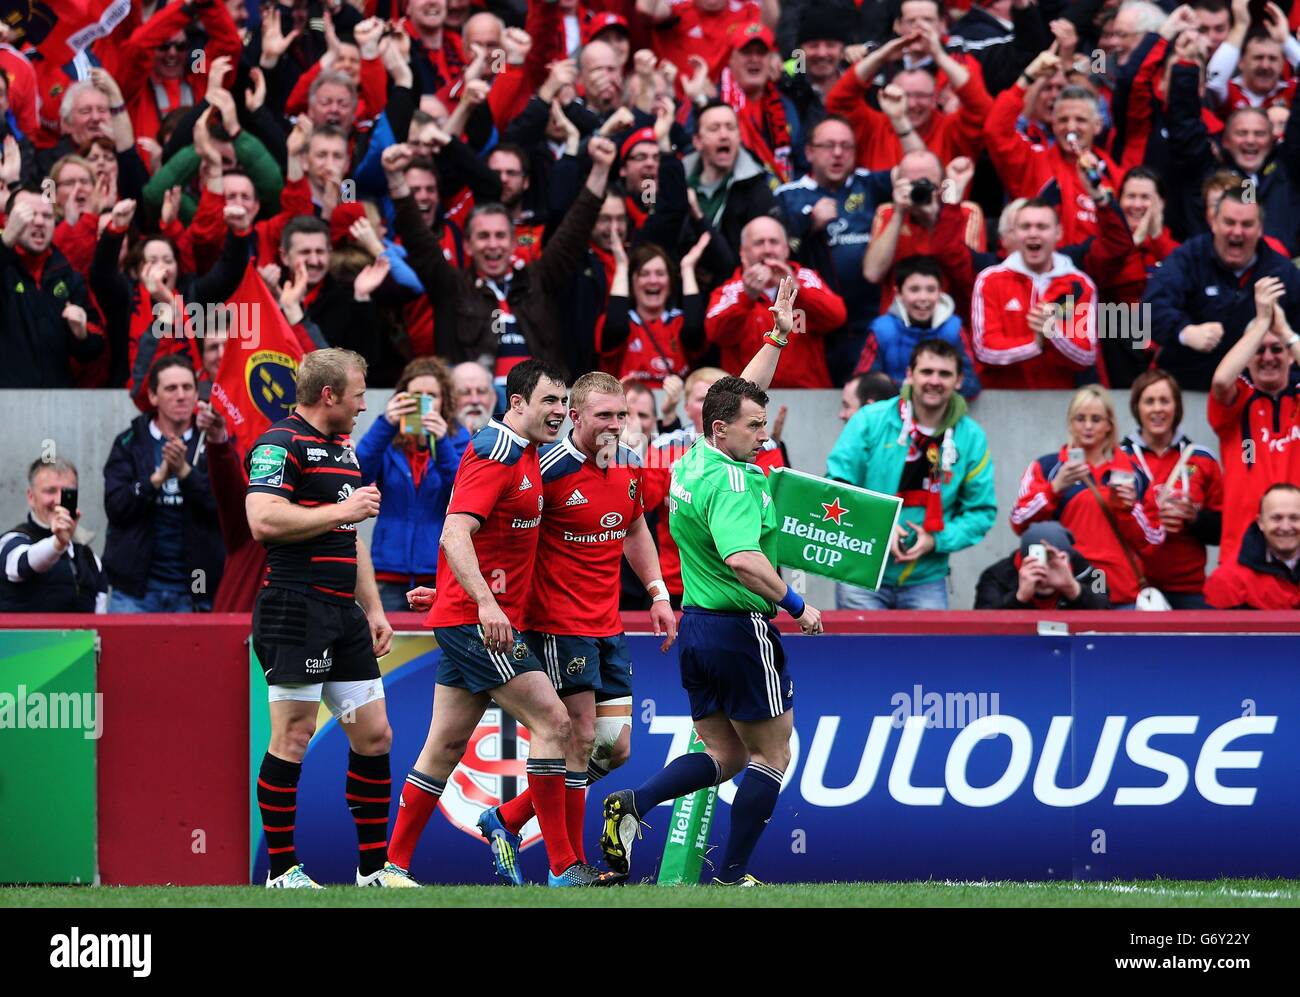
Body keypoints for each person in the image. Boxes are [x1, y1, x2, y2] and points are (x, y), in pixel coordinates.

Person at [600, 276, 824, 887]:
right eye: (755, 427)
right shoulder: (734, 481)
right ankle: (733, 877)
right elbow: (744, 560)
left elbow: (742, 394)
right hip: (739, 629)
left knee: (725, 758)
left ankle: (633, 805)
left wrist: (776, 332)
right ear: (723, 430)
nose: (765, 432)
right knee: (773, 756)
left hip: (698, 630)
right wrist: (798, 604)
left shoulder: (697, 455)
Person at [387, 359, 622, 887]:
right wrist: (482, 602)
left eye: (564, 403)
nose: (559, 413)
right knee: (556, 724)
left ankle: (391, 868)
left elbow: (482, 539)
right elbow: (454, 533)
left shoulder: (529, 453)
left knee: (444, 746)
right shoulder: (497, 452)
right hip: (482, 624)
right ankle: (564, 868)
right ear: (516, 403)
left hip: (471, 613)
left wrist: (450, 587)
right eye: (549, 403)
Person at [459, 372, 678, 886]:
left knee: (615, 748)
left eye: (622, 415)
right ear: (575, 418)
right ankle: (567, 867)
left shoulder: (627, 464)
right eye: (604, 416)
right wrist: (466, 592)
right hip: (557, 624)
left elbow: (636, 527)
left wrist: (658, 592)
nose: (616, 426)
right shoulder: (546, 468)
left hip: (609, 625)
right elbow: (489, 530)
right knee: (576, 740)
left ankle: (508, 818)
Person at [245, 348, 412, 889]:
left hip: (343, 614)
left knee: (376, 735)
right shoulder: (279, 443)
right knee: (292, 738)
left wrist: (373, 607)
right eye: (359, 393)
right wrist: (345, 510)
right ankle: (282, 872)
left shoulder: (342, 448)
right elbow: (262, 519)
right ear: (329, 395)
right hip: (295, 608)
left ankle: (371, 871)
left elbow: (350, 535)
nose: (366, 404)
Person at [827, 338, 995, 609]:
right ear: (909, 375)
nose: (935, 381)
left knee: (925, 654)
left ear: (959, 380)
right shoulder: (870, 420)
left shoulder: (971, 437)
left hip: (926, 578)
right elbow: (837, 484)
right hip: (861, 571)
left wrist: (936, 540)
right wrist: (877, 526)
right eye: (927, 372)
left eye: (945, 373)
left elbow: (981, 511)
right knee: (863, 652)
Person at [1011, 384, 1166, 608]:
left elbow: (1154, 540)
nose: (1088, 426)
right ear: (1070, 423)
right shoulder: (1048, 467)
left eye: (1096, 419)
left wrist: (1130, 508)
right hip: (1067, 589)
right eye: (1080, 418)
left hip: (1122, 592)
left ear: (1109, 425)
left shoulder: (1133, 473)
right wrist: (1054, 489)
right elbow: (1018, 522)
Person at [1145, 186, 1300, 391]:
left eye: (1247, 224)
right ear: (1214, 223)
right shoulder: (1189, 258)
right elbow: (1150, 309)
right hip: (1188, 392)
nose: (1237, 232)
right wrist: (1184, 331)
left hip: (1256, 397)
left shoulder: (1281, 272)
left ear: (1260, 228)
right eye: (1229, 222)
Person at [102, 356, 224, 613]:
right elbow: (116, 507)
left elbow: (224, 510)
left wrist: (184, 472)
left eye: (187, 387)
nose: (181, 396)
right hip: (135, 594)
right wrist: (156, 479)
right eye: (171, 388)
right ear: (153, 396)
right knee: (128, 655)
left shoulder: (213, 442)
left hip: (197, 592)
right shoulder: (128, 442)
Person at [356, 357, 471, 614]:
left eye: (432, 396)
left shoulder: (458, 438)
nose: (424, 402)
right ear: (402, 398)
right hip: (389, 571)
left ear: (445, 402)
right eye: (416, 395)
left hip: (438, 572)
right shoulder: (387, 435)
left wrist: (441, 443)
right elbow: (359, 475)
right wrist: (385, 423)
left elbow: (462, 493)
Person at [1208, 274, 1300, 564]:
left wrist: (1285, 330)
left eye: (1277, 349)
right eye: (1259, 350)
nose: (1268, 357)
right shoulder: (1239, 400)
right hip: (1242, 556)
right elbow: (1222, 380)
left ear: (1289, 356)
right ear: (1247, 357)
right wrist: (1260, 324)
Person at [1119, 369, 1225, 608]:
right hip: (1135, 588)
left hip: (1190, 589)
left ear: (1176, 407)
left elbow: (1223, 529)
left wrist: (1194, 518)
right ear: (1138, 408)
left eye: (1165, 401)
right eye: (1149, 401)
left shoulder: (1202, 458)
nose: (1157, 409)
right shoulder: (1117, 458)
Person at [705, 216, 847, 388]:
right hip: (746, 400)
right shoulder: (731, 290)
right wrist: (747, 296)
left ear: (786, 249)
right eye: (759, 243)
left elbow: (836, 317)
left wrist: (796, 288)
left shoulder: (805, 278)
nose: (767, 250)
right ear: (743, 252)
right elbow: (715, 333)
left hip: (806, 397)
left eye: (774, 242)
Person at [970, 199, 1098, 389]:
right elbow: (985, 350)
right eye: (1025, 227)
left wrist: (1053, 333)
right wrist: (1035, 343)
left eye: (1042, 227)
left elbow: (1087, 355)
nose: (1033, 233)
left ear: (1058, 233)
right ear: (1014, 233)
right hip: (1002, 402)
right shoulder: (989, 280)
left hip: (1058, 402)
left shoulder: (1079, 285)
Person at [1, 188, 104, 388]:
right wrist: (6, 240)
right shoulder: (5, 269)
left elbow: (95, 348)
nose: (39, 221)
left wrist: (82, 334)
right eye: (29, 214)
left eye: (47, 216)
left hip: (54, 406)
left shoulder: (68, 276)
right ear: (8, 220)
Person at [857, 254, 980, 399]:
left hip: (941, 416)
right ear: (898, 294)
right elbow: (863, 384)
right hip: (893, 414)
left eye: (930, 290)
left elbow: (971, 384)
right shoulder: (882, 330)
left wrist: (931, 391)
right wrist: (911, 388)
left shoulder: (953, 330)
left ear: (940, 292)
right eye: (914, 289)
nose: (923, 297)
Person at [0, 458, 107, 613]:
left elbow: (100, 622)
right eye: (50, 491)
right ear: (31, 497)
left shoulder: (90, 559)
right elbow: (23, 563)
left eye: (66, 493)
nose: (58, 500)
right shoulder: (11, 542)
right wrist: (57, 544)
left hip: (77, 638)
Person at [974, 522, 1110, 610]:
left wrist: (1072, 588)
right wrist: (1019, 598)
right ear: (1021, 560)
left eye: (1052, 562)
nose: (1044, 571)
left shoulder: (1092, 574)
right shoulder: (996, 576)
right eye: (1037, 560)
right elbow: (982, 627)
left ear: (1066, 560)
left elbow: (1107, 616)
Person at [1205, 483, 1300, 608]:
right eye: (1276, 518)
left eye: (1294, 518)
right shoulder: (1228, 580)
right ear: (1260, 522)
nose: (1286, 527)